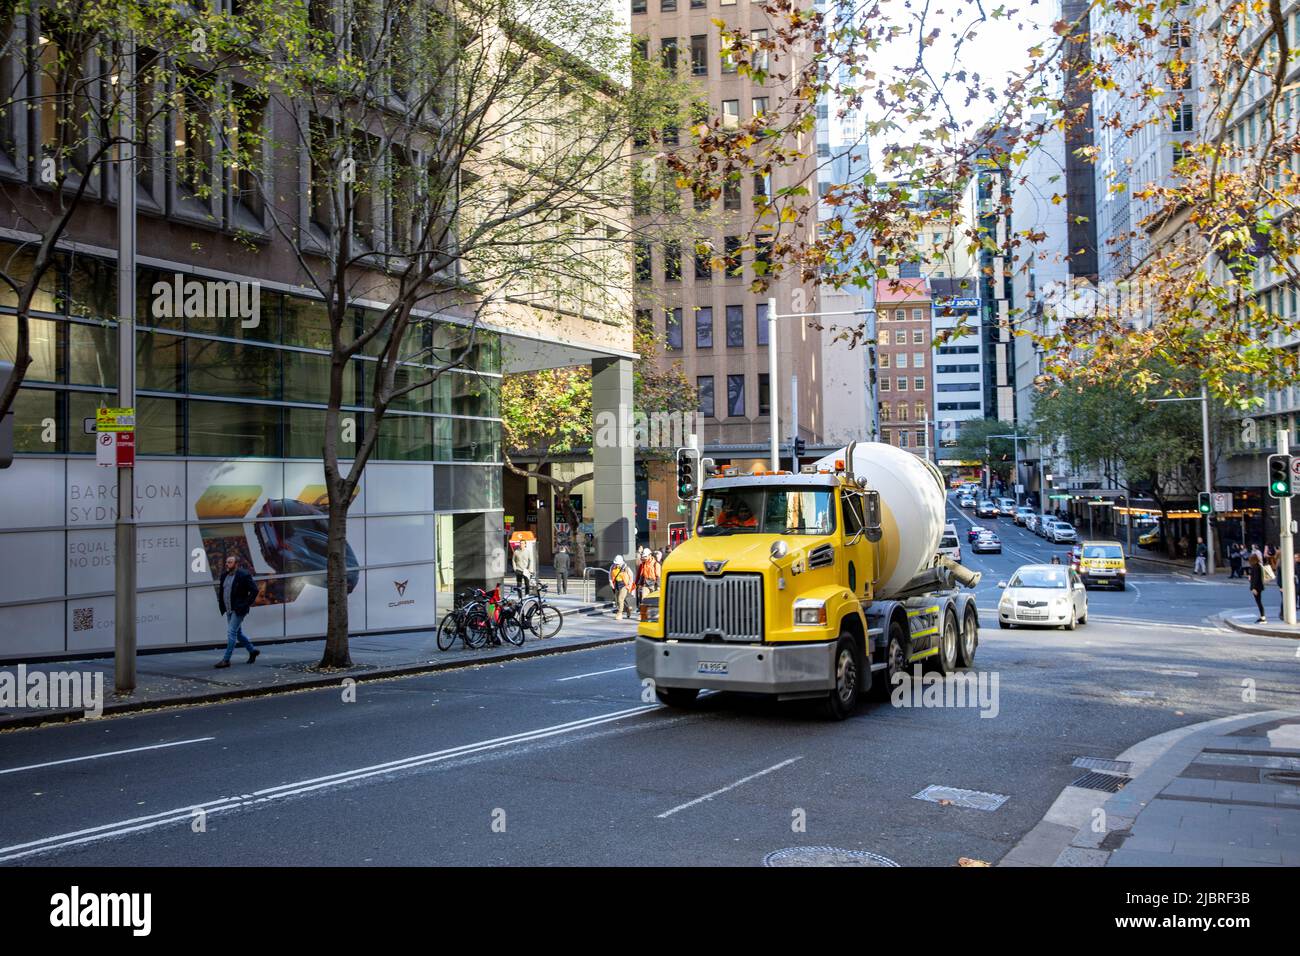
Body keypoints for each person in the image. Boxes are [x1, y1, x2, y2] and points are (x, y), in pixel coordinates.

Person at [215, 553, 260, 668]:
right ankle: (252, 650)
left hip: (238, 610)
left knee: (231, 632)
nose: (227, 564)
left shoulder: (243, 575)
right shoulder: (224, 575)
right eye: (226, 562)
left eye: (230, 562)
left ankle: (226, 660)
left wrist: (246, 604)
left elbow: (254, 590)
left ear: (236, 564)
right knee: (238, 633)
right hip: (229, 609)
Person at [610, 554, 634, 620]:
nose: (616, 565)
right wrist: (611, 583)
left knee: (620, 599)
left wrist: (629, 585)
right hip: (616, 584)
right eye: (616, 563)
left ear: (621, 562)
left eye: (618, 564)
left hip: (624, 585)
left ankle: (619, 613)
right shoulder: (612, 567)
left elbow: (631, 576)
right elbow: (610, 575)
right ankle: (628, 609)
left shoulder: (626, 568)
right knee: (619, 600)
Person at [1247, 553, 1267, 624]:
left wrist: (1253, 588)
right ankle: (1262, 617)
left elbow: (1255, 578)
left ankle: (1263, 618)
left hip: (1256, 587)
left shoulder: (1254, 567)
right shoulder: (1259, 565)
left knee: (1259, 602)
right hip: (1259, 586)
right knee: (1259, 602)